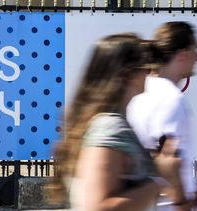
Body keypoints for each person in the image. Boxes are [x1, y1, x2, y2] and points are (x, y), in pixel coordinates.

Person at [48, 34, 182, 211]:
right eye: (145, 67)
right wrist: (159, 180)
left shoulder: (108, 123)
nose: (150, 74)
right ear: (128, 75)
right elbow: (97, 207)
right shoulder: (108, 127)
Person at [127, 22, 197, 210]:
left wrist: (191, 189)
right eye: (195, 50)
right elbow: (164, 160)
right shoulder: (171, 99)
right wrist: (183, 200)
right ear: (182, 54)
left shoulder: (140, 92)